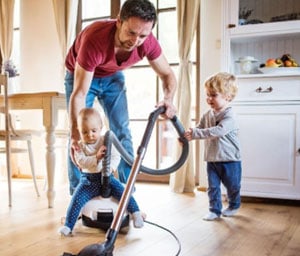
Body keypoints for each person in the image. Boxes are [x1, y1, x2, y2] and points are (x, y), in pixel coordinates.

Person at [65, 0, 177, 195]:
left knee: (122, 132)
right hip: (81, 76)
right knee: (80, 135)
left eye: (142, 35)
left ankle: (126, 193)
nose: (135, 41)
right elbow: (80, 94)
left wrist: (168, 99)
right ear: (119, 22)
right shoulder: (95, 39)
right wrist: (75, 132)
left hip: (112, 76)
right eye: (131, 32)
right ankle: (78, 194)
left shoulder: (148, 42)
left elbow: (168, 75)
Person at [59, 108, 145, 236]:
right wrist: (96, 158)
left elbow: (116, 156)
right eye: (85, 132)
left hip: (108, 179)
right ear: (79, 131)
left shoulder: (106, 140)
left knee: (123, 193)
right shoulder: (79, 146)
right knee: (76, 200)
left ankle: (136, 213)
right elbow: (81, 161)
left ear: (100, 127)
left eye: (94, 131)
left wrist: (111, 168)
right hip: (88, 181)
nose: (90, 135)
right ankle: (68, 225)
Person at [184, 72, 242, 221]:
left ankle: (234, 205)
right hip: (212, 159)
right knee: (213, 187)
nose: (209, 99)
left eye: (213, 95)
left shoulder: (230, 116)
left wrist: (197, 133)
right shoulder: (207, 115)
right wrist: (191, 134)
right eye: (207, 95)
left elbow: (219, 131)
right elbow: (200, 128)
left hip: (230, 160)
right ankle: (215, 210)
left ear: (227, 96)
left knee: (233, 186)